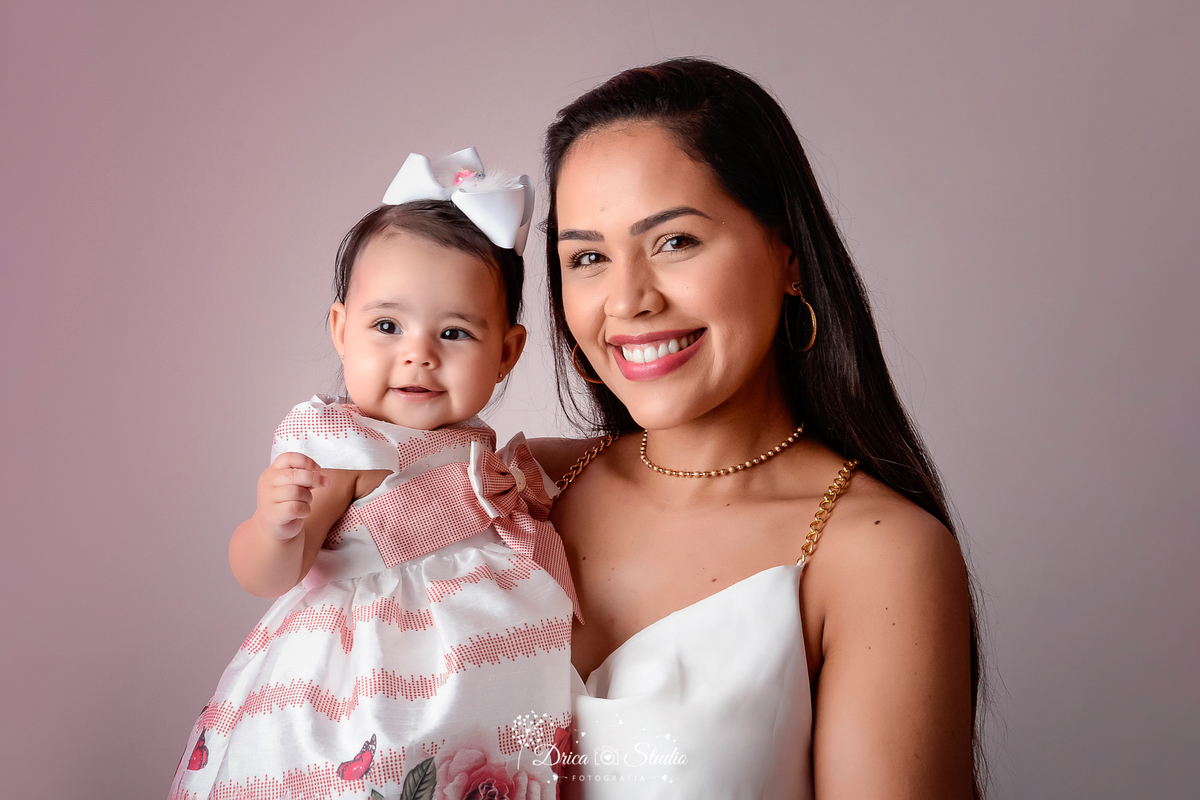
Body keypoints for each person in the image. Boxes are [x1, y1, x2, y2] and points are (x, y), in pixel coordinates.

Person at [530, 59, 982, 798]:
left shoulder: (877, 555)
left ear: (788, 253)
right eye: (587, 257)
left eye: (674, 241)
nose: (627, 300)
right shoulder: (517, 490)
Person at [169, 148, 575, 800]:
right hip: (359, 686)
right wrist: (274, 526)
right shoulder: (347, 449)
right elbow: (266, 575)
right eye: (387, 325)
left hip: (483, 673)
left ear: (506, 352)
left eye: (454, 334)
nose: (417, 354)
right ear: (341, 329)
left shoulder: (485, 453)